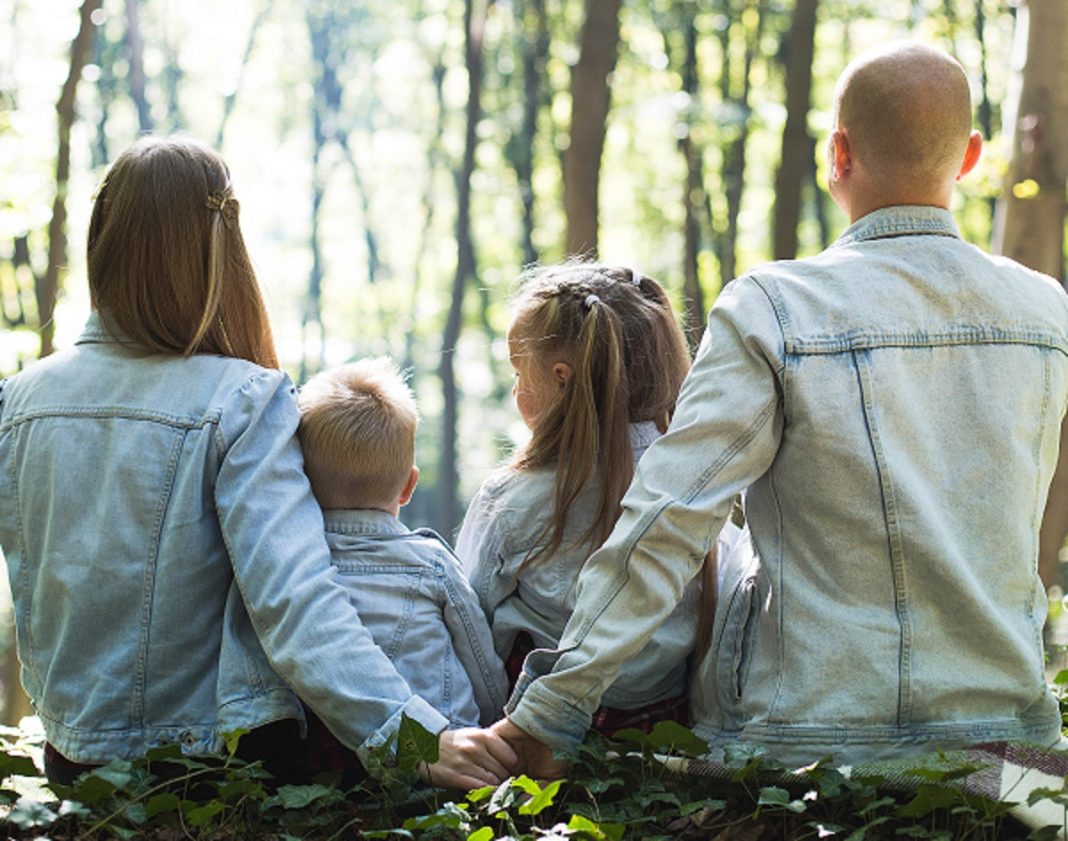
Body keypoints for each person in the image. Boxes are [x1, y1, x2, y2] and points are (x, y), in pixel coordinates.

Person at [493, 41, 1068, 772]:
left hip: (805, 737)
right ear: (971, 157)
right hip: (1009, 735)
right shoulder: (1046, 312)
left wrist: (553, 709)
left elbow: (669, 518)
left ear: (837, 153)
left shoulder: (774, 308)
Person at [0, 135, 516, 789]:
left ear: (101, 239)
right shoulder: (243, 399)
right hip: (210, 768)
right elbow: (295, 602)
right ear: (221, 250)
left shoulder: (16, 401)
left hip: (72, 763)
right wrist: (413, 738)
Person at [457, 263, 739, 734]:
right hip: (662, 729)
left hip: (532, 730)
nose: (514, 390)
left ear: (562, 378)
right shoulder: (699, 490)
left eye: (519, 372)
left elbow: (470, 622)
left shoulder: (511, 498)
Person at [296, 356, 508, 733]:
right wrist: (494, 724)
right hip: (445, 748)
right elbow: (481, 663)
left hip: (330, 759)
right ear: (410, 486)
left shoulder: (291, 567)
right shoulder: (431, 564)